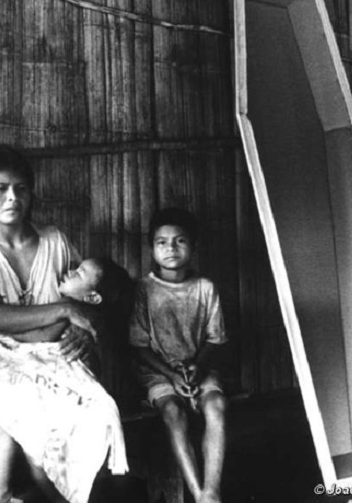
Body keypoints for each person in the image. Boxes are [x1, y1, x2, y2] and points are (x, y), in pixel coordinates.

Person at [0, 146, 127, 503]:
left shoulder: (54, 240)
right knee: (27, 410)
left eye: (21, 188)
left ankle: (82, 493)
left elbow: (87, 295)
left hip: (56, 354)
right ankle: (20, 491)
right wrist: (64, 311)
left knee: (98, 410)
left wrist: (82, 327)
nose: (13, 197)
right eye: (1, 188)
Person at [130, 208, 228, 503]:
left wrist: (198, 367)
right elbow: (138, 345)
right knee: (173, 411)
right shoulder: (144, 289)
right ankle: (198, 493)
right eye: (162, 242)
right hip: (158, 372)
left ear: (193, 246)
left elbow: (215, 339)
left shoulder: (205, 288)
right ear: (152, 248)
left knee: (217, 406)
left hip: (198, 369)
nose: (171, 248)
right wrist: (172, 375)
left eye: (180, 241)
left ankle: (212, 491)